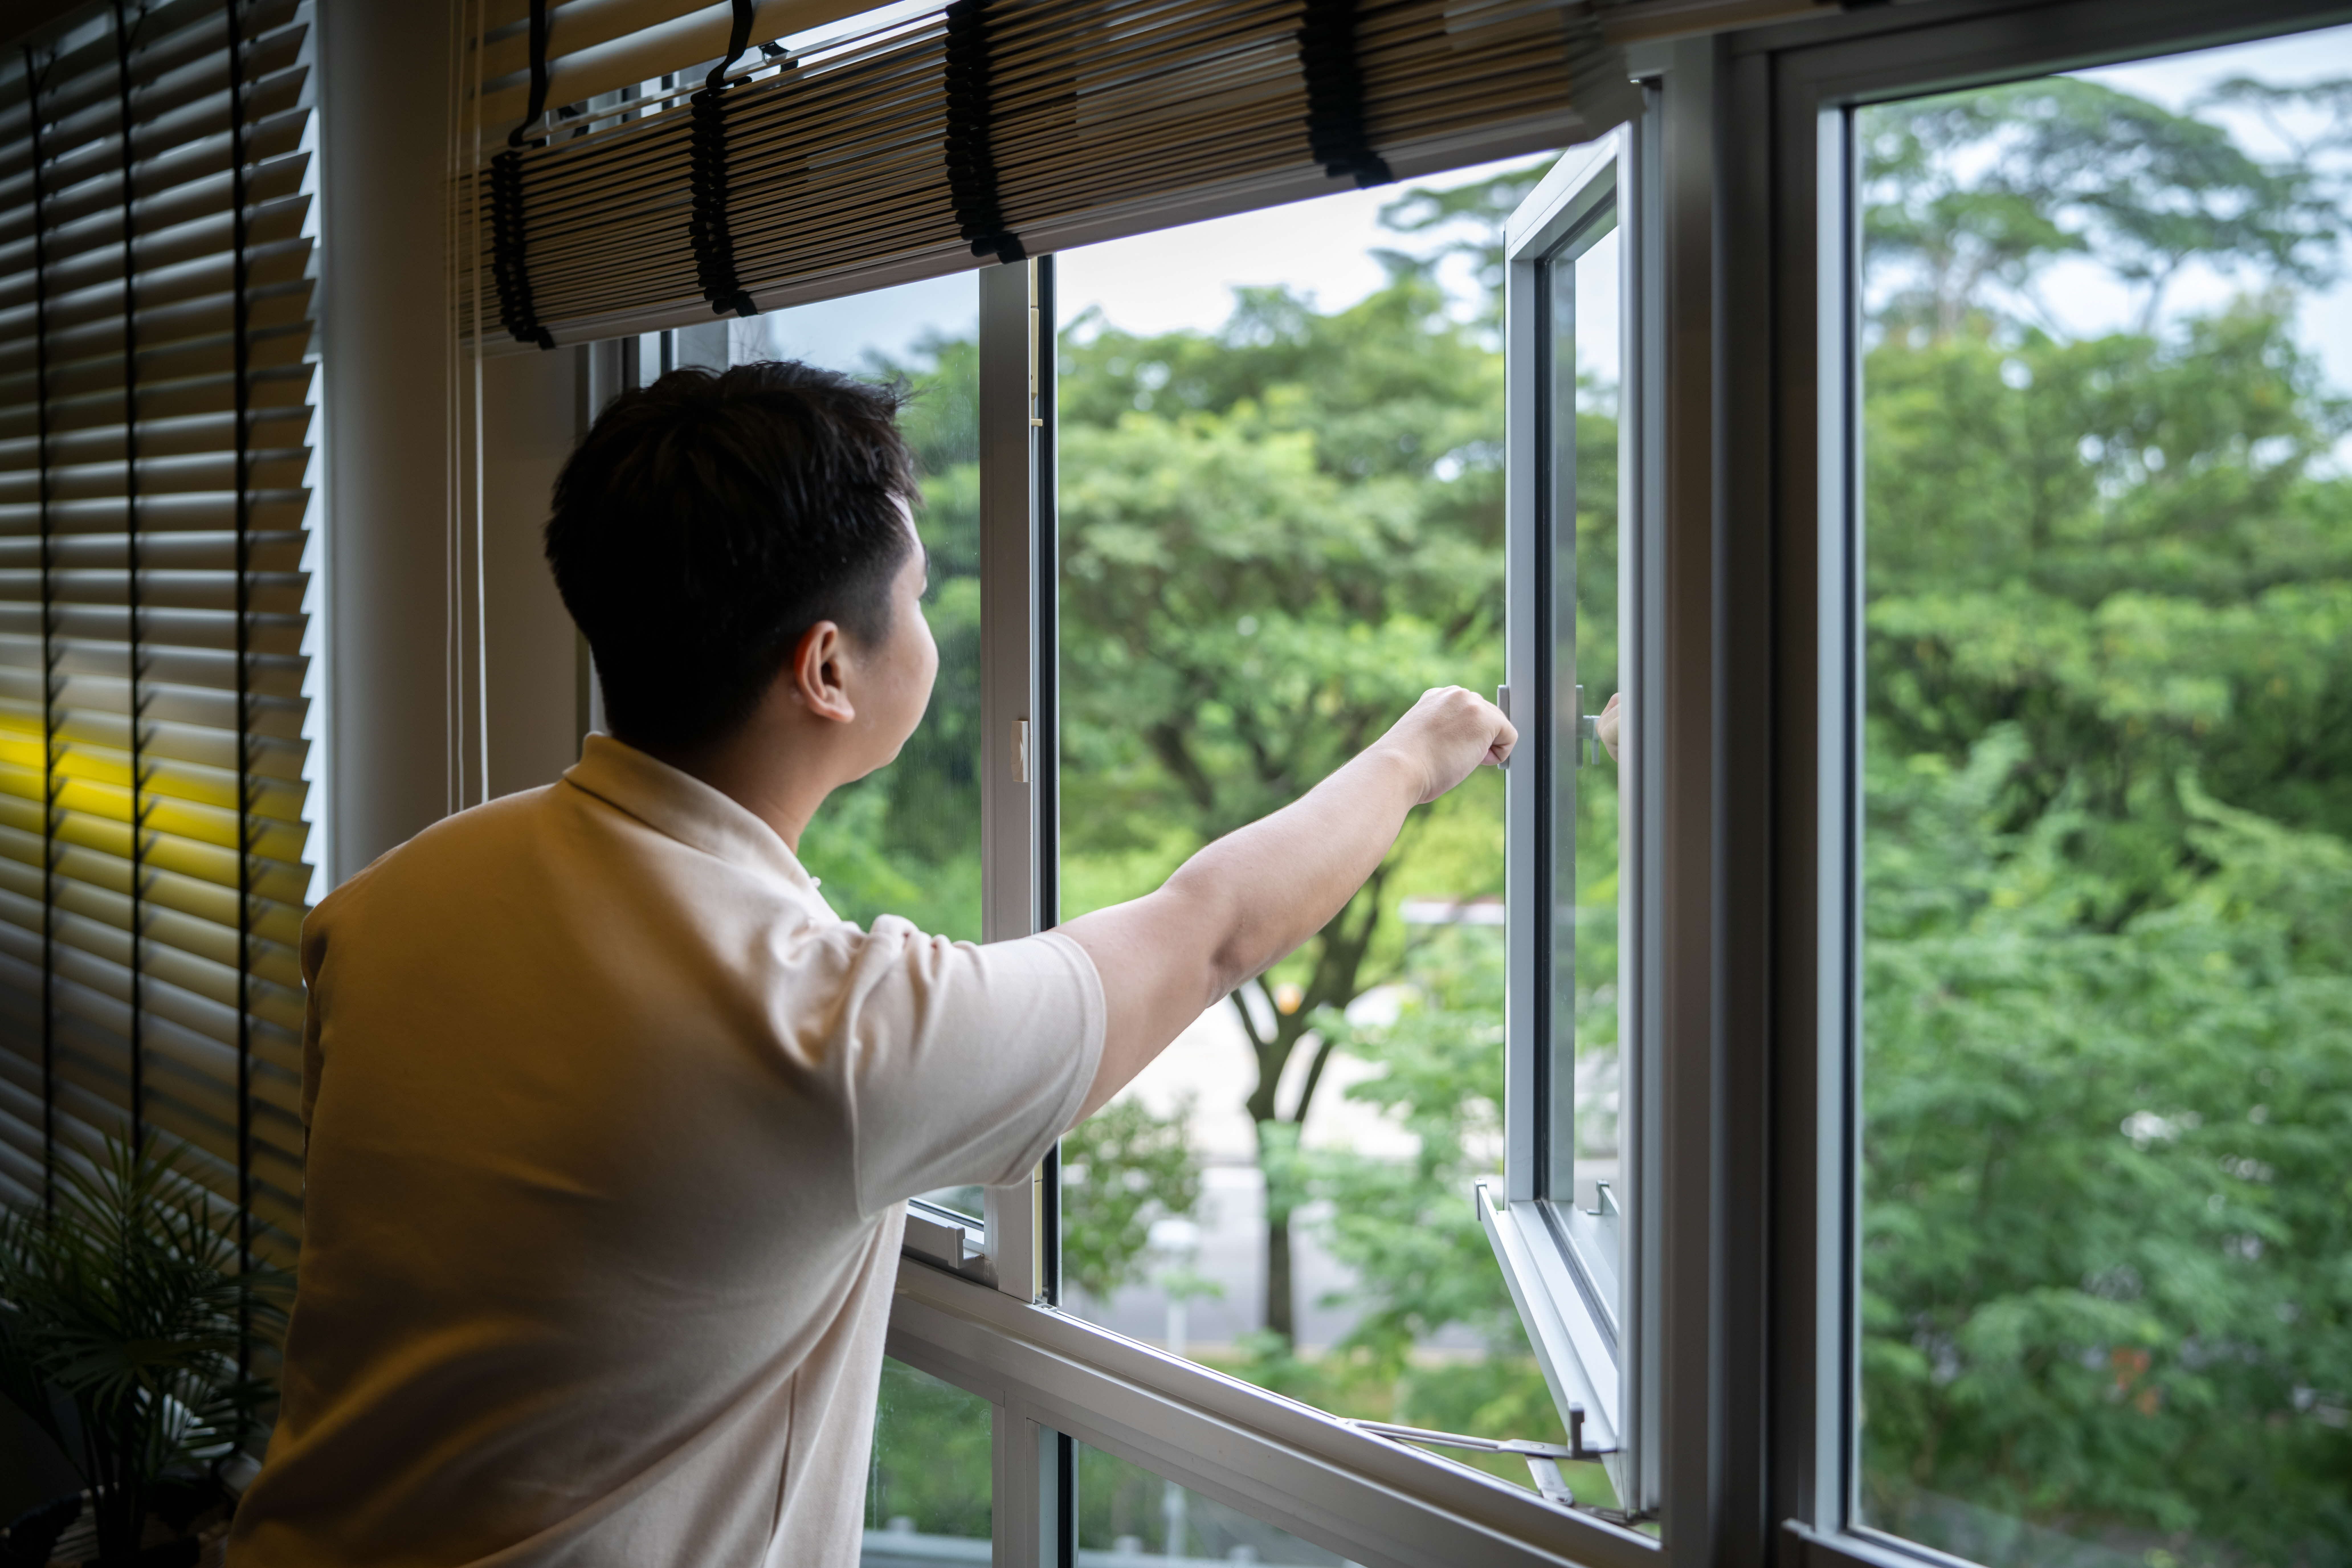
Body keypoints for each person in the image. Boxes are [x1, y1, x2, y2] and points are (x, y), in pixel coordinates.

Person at [227, 361, 1515, 1567]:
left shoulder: (392, 897)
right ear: (829, 667)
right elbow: (1212, 930)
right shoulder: (830, 1035)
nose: (932, 628)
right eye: (918, 597)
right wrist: (1412, 757)